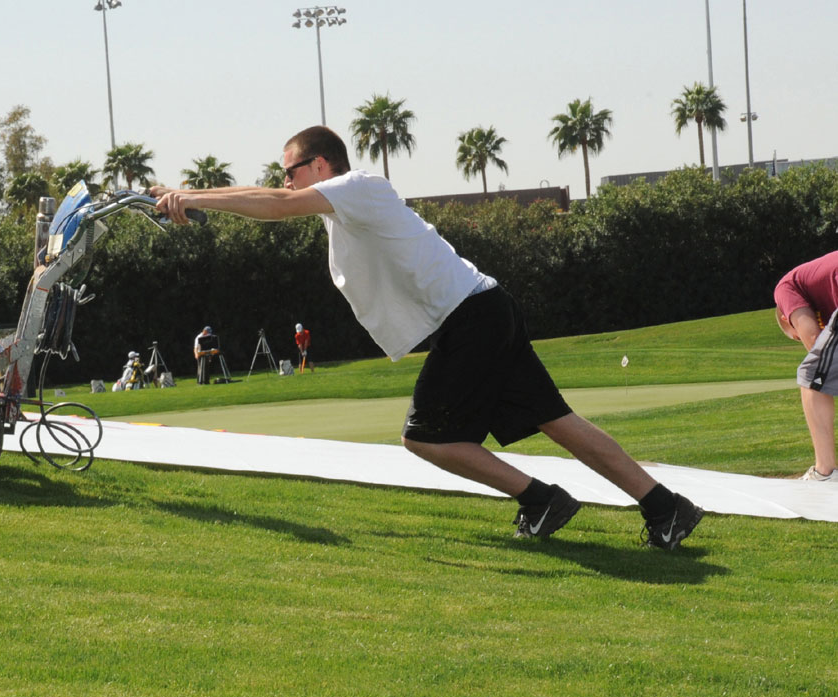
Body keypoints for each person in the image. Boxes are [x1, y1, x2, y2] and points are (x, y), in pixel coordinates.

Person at [152, 125, 704, 548]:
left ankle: (542, 500)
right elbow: (268, 194)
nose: (286, 181)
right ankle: (665, 507)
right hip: (484, 308)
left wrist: (194, 200)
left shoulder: (358, 188)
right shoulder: (342, 202)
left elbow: (276, 204)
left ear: (320, 164)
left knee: (424, 437)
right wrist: (185, 192)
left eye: (291, 171)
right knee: (556, 420)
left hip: (471, 318)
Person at [774, 251, 838, 482]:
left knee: (812, 377)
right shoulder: (823, 295)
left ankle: (825, 472)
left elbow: (813, 338)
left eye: (794, 336)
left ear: (786, 319)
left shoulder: (785, 288)